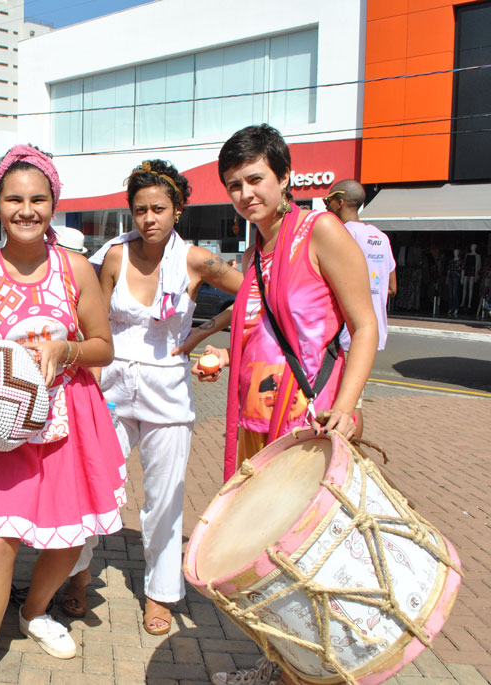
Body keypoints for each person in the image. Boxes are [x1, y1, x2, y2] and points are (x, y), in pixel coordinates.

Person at [197, 125, 377, 685]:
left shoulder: (320, 231)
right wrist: (227, 359)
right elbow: (269, 332)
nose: (246, 193)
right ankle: (283, 668)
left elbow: (364, 325)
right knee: (270, 560)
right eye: (234, 184)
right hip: (259, 422)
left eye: (255, 179)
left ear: (284, 177)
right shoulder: (259, 246)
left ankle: (323, 669)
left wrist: (345, 409)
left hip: (309, 423)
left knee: (312, 559)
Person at [0, 145, 126, 685]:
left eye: (38, 199)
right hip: (5, 427)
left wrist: (67, 352)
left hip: (71, 417)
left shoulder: (75, 268)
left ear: (53, 205)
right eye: (14, 199)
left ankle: (34, 613)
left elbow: (103, 346)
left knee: (70, 536)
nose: (26, 210)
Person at [82, 160, 244, 635]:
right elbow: (89, 315)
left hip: (167, 392)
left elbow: (255, 295)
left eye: (158, 208)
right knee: (93, 484)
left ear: (177, 210)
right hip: (109, 387)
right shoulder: (113, 254)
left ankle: (160, 593)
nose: (149, 219)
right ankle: (76, 575)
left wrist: (206, 333)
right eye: (139, 210)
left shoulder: (196, 260)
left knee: (165, 500)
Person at [325, 180, 397, 439]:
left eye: (328, 201)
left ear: (340, 201)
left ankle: (345, 457)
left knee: (342, 403)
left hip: (345, 332)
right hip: (372, 331)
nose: (327, 206)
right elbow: (391, 287)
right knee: (355, 400)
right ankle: (353, 452)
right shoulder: (381, 237)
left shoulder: (341, 234)